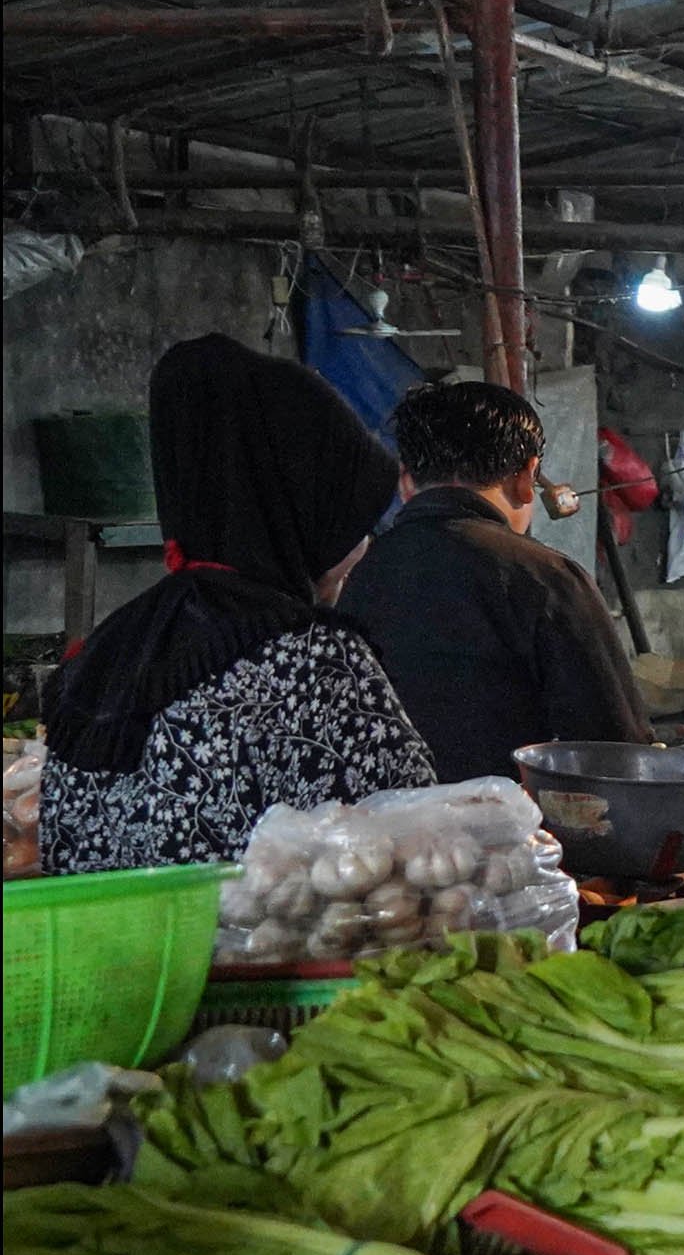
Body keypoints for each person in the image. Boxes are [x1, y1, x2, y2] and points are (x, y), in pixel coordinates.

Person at [39, 334, 433, 873]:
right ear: (301, 509)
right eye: (351, 516)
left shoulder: (112, 649)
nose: (364, 544)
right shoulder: (317, 663)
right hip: (249, 958)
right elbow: (416, 845)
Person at [337, 380, 652, 785]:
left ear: (406, 482)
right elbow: (616, 746)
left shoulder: (359, 576)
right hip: (508, 833)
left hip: (380, 832)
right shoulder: (547, 577)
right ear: (527, 477)